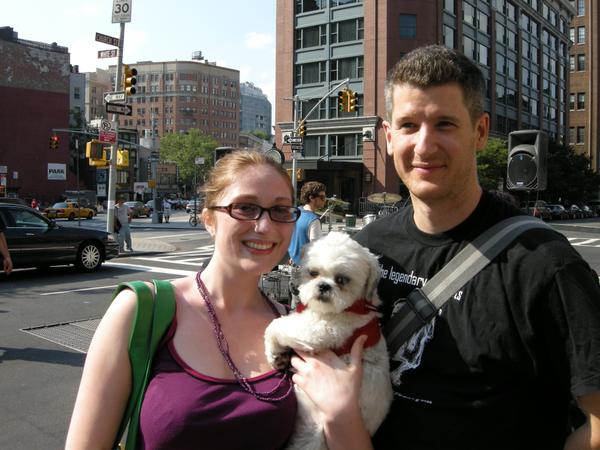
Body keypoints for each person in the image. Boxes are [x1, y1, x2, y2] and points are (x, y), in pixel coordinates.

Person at [352, 45, 600, 449]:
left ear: (480, 132)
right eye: (409, 125)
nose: (424, 145)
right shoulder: (366, 249)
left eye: (445, 124)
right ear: (389, 136)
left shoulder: (545, 264)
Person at [65, 151, 301, 449]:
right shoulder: (140, 309)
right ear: (209, 220)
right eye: (245, 207)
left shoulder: (293, 329)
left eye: (280, 210)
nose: (265, 226)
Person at [287, 181, 327, 265]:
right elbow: (316, 248)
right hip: (306, 267)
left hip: (292, 263)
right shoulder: (313, 220)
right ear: (311, 198)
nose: (325, 200)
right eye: (322, 197)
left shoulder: (295, 212)